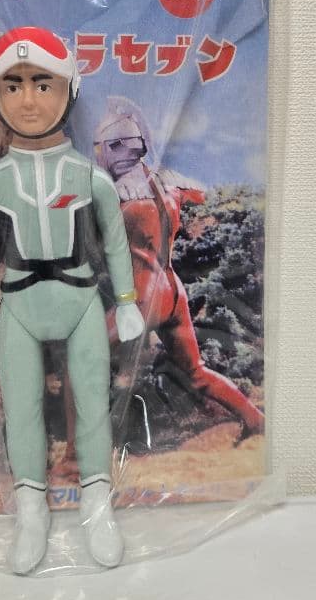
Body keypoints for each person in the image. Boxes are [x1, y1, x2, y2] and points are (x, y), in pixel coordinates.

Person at [0, 28, 144, 574]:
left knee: (92, 401)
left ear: (69, 90)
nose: (29, 100)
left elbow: (115, 241)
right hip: (18, 304)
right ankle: (31, 510)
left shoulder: (88, 176)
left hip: (81, 298)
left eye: (43, 84)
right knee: (21, 408)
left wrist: (127, 300)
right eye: (13, 85)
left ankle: (96, 504)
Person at [94, 96, 265, 438]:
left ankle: (80, 449)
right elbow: (211, 197)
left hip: (144, 294)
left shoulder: (117, 193)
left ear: (115, 147)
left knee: (85, 355)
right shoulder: (167, 183)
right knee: (196, 371)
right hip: (173, 291)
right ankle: (255, 420)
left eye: (101, 147)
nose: (97, 155)